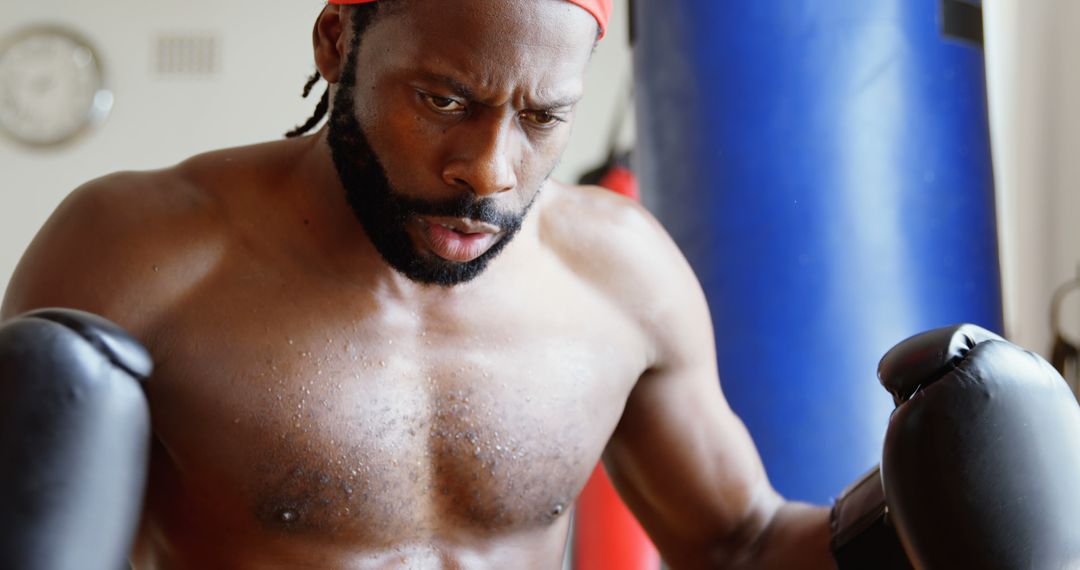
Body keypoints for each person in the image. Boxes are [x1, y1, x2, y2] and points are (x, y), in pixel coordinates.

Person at [13, 1, 1071, 568]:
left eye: (542, 117)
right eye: (442, 98)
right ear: (339, 44)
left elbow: (737, 542)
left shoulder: (621, 275)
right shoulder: (136, 249)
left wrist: (901, 527)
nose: (490, 169)